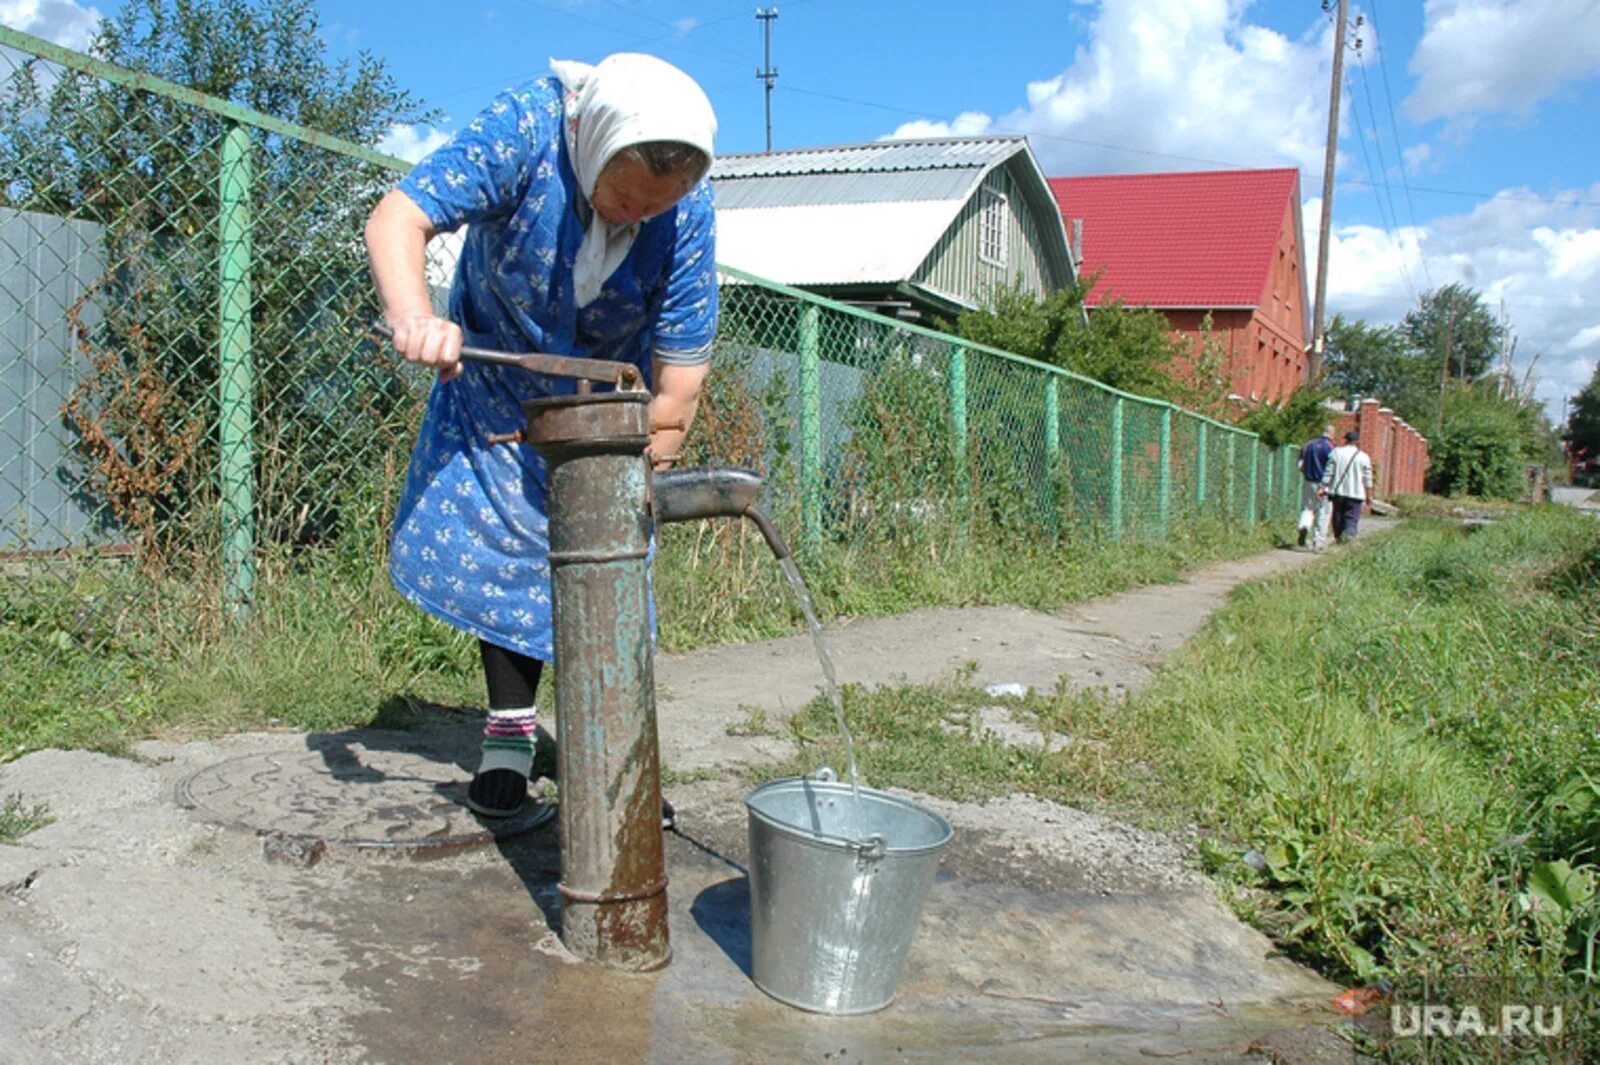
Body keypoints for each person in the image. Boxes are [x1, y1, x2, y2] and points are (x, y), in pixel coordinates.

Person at [365, 53, 718, 817]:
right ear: (590, 146)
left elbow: (681, 368)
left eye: (651, 210)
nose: (634, 218)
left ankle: (620, 762)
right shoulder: (527, 129)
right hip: (497, 381)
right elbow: (400, 215)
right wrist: (415, 315)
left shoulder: (686, 208)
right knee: (506, 557)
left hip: (604, 400)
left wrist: (649, 465)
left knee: (617, 568)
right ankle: (509, 735)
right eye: (622, 197)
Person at [1322, 429, 1374, 544]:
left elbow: (1328, 472)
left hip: (1338, 492)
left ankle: (1339, 537)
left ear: (1346, 440)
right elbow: (1368, 478)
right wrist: (1369, 495)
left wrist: (1323, 486)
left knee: (1338, 516)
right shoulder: (1364, 457)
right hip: (1356, 494)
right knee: (1351, 517)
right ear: (1357, 441)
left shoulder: (1336, 452)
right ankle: (1349, 536)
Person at [1296, 424, 1335, 551]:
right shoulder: (1331, 447)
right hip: (1324, 484)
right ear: (1332, 434)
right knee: (1324, 511)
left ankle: (1304, 526)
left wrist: (1307, 473)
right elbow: (1333, 467)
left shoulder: (1308, 445)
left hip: (1308, 481)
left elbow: (1300, 465)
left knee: (1308, 507)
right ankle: (1318, 541)